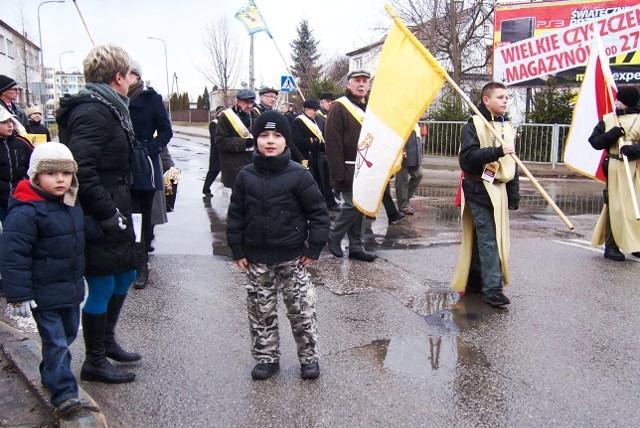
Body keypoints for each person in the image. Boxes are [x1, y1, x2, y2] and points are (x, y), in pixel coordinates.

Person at [56, 45, 140, 383]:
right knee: (103, 282)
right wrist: (106, 212)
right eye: (130, 75)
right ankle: (94, 361)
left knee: (126, 274)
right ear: (118, 77)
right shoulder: (94, 111)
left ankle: (107, 342)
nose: (133, 81)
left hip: (116, 203)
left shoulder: (111, 107)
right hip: (99, 209)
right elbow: (81, 168)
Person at [227, 111, 329, 381]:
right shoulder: (245, 176)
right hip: (256, 258)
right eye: (263, 135)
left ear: (285, 141)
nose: (270, 141)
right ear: (256, 139)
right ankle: (266, 358)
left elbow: (318, 212)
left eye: (277, 135)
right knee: (261, 311)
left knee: (301, 309)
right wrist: (237, 249)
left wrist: (313, 247)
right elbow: (236, 214)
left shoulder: (299, 175)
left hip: (292, 258)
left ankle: (308, 358)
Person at [0, 142, 89, 418]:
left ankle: (51, 375)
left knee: (69, 334)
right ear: (35, 176)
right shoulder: (26, 211)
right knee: (57, 341)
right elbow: (14, 255)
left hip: (70, 290)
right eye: (51, 174)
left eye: (66, 173)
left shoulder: (71, 204)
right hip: (43, 293)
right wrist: (19, 294)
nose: (60, 179)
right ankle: (64, 394)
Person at [451, 81, 519, 308]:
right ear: (486, 100)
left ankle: (474, 282)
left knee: (486, 238)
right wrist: (497, 151)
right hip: (479, 188)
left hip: (498, 188)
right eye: (500, 97)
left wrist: (514, 193)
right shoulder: (473, 124)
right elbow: (467, 159)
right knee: (490, 238)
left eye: (506, 97)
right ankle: (492, 289)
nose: (505, 101)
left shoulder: (506, 125)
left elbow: (513, 164)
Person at [127, 62, 173, 290]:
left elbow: (166, 131)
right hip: (117, 163)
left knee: (140, 217)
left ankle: (141, 266)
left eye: (130, 73)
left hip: (143, 166)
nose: (125, 77)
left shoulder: (150, 99)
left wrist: (148, 149)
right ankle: (125, 261)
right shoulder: (114, 98)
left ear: (137, 76)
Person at [324, 70, 378, 262]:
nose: (361, 84)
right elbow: (332, 142)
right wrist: (338, 172)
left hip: (365, 167)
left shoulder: (369, 108)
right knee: (352, 205)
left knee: (361, 206)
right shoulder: (339, 107)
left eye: (365, 81)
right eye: (357, 81)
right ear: (349, 84)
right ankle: (334, 235)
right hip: (347, 167)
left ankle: (356, 246)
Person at [589, 86, 640, 261]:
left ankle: (636, 243)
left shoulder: (639, 119)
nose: (615, 101)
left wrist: (632, 150)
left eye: (619, 99)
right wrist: (613, 134)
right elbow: (595, 141)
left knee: (635, 205)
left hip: (635, 167)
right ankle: (612, 245)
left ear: (625, 101)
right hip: (614, 166)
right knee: (615, 206)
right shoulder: (609, 119)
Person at [215, 90, 256, 189]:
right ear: (237, 101)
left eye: (251, 102)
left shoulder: (254, 114)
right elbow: (220, 142)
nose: (249, 106)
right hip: (235, 167)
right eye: (246, 102)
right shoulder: (226, 117)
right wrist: (245, 143)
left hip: (253, 165)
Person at [0, 109, 33, 222]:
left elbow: (33, 166)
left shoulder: (21, 142)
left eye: (10, 121)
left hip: (21, 197)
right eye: (4, 122)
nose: (9, 125)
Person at [395, 125, 423, 215]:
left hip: (414, 152)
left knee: (418, 174)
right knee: (402, 180)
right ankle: (402, 206)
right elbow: (398, 133)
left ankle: (404, 200)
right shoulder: (402, 115)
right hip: (403, 152)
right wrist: (402, 149)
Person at [203, 105, 225, 196]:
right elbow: (215, 138)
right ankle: (206, 189)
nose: (224, 114)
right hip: (216, 153)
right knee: (213, 171)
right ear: (218, 114)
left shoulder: (224, 123)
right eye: (222, 113)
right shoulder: (214, 123)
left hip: (224, 153)